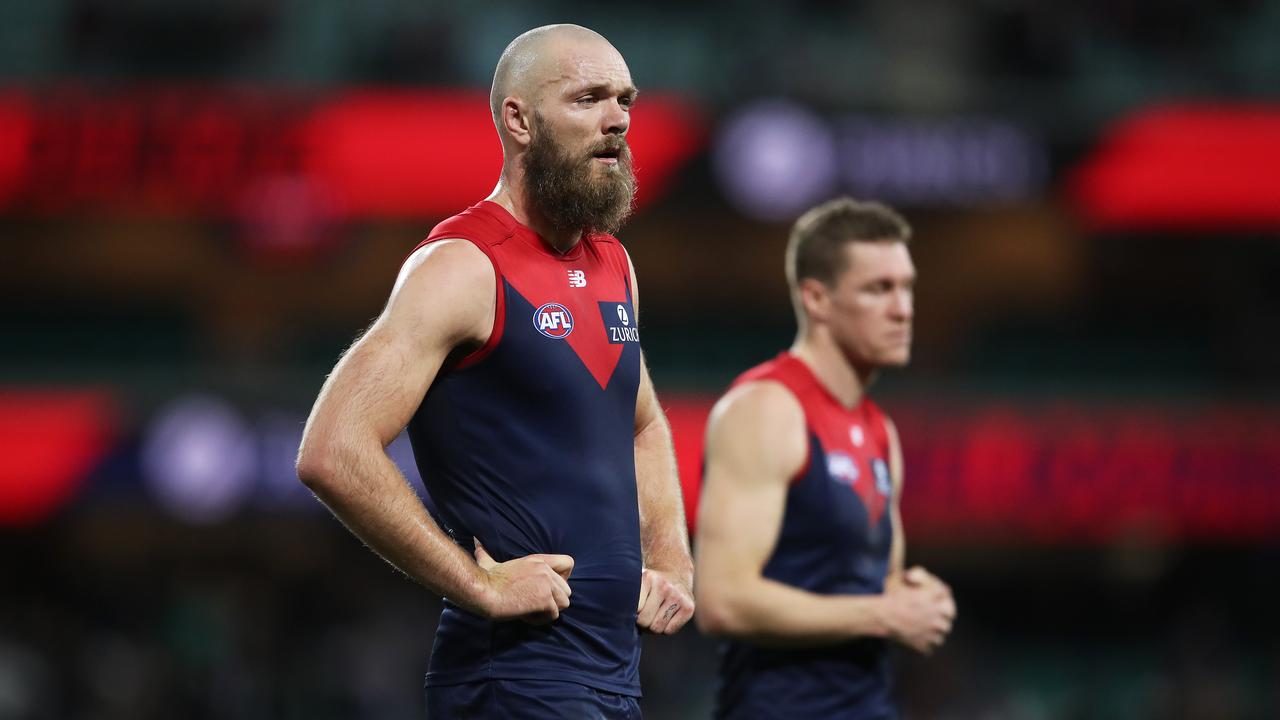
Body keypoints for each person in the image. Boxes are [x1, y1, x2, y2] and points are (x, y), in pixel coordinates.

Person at [295, 24, 694, 718]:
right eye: (588, 99)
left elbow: (644, 423)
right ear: (519, 119)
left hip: (612, 675)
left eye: (624, 100)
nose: (618, 121)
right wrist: (477, 585)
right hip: (514, 674)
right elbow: (332, 449)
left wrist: (672, 559)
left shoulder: (612, 264)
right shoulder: (461, 265)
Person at [693, 197, 956, 719]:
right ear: (816, 299)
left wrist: (918, 599)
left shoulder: (880, 431)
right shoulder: (766, 410)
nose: (904, 309)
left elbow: (877, 585)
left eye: (906, 287)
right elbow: (722, 599)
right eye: (879, 289)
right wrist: (885, 614)